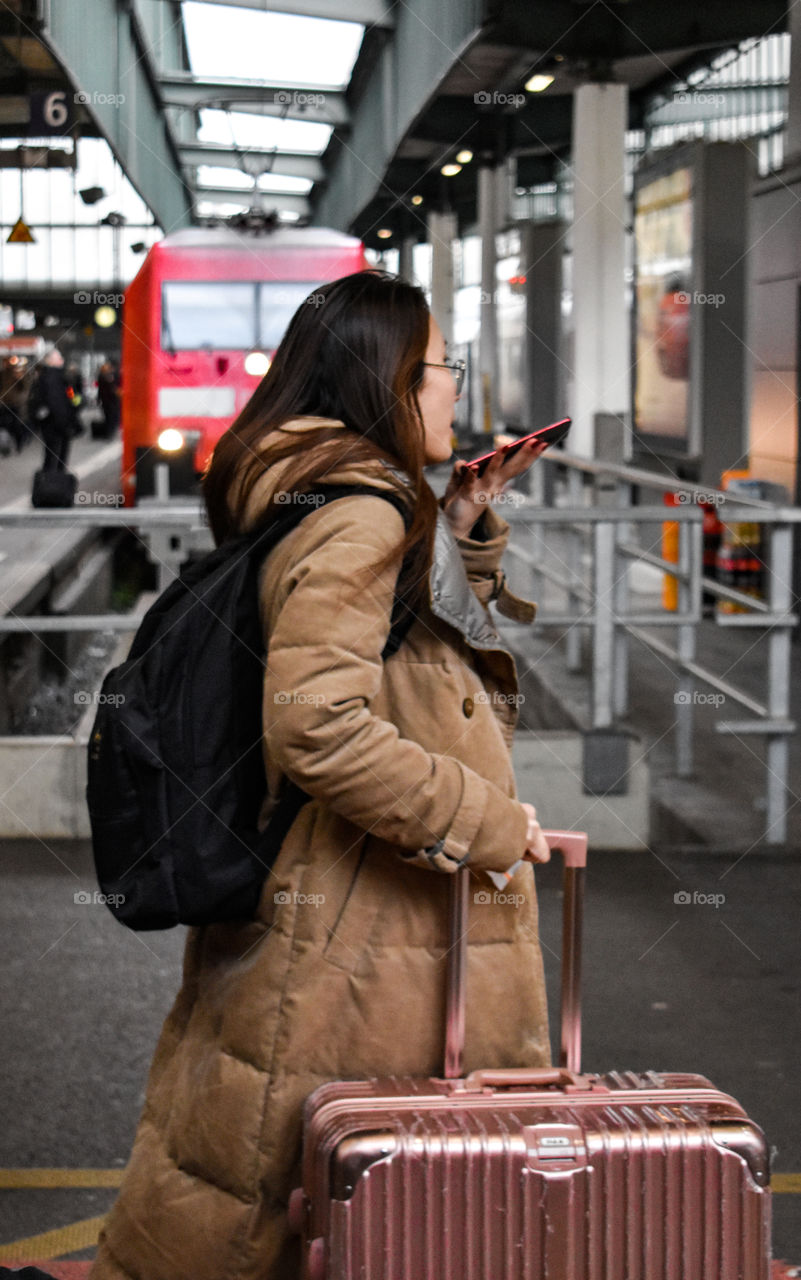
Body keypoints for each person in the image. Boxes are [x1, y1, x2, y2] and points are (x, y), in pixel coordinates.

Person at [91, 271, 553, 1280]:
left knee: (272, 1177)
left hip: (329, 906)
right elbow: (320, 727)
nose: (453, 390)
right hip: (364, 929)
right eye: (438, 368)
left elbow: (412, 668)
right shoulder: (362, 515)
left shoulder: (341, 497)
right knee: (323, 1201)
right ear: (385, 378)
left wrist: (468, 526)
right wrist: (487, 820)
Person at [29, 346, 79, 472]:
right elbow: (57, 402)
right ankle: (54, 484)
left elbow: (71, 397)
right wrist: (66, 423)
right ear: (50, 361)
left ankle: (49, 481)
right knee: (58, 455)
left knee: (51, 455)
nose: (62, 360)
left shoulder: (50, 377)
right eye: (59, 358)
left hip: (51, 423)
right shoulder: (54, 378)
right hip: (56, 424)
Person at [97, 359, 121, 435]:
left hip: (108, 400)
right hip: (111, 400)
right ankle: (110, 431)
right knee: (111, 416)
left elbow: (100, 389)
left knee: (110, 416)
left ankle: (110, 430)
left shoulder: (103, 376)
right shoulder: (110, 375)